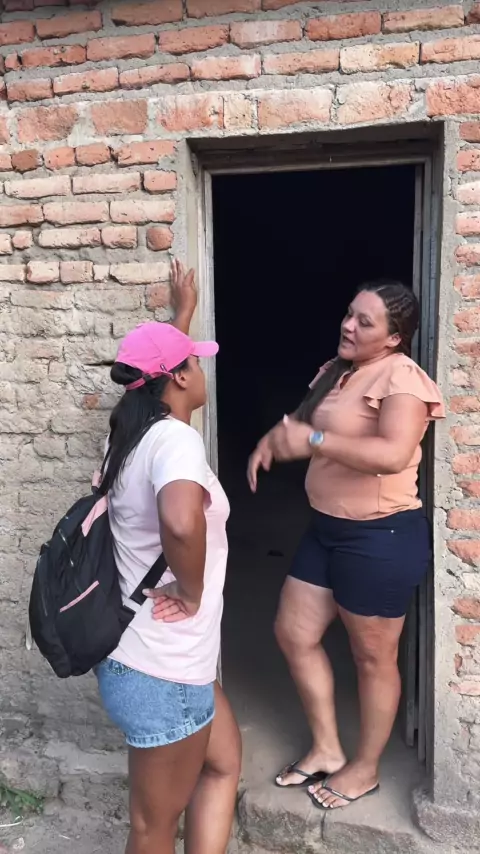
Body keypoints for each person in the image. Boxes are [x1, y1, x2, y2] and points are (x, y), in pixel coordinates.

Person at [247, 280, 444, 811]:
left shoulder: (402, 377)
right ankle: (327, 748)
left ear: (393, 338)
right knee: (294, 633)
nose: (349, 325)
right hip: (326, 529)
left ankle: (366, 769)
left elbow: (392, 453)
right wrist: (272, 442)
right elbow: (301, 423)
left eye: (365, 321)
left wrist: (313, 441)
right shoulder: (335, 371)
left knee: (372, 657)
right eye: (349, 314)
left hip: (381, 535)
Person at [95, 261, 241, 854]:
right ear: (177, 377)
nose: (200, 370)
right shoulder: (177, 440)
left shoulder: (129, 434)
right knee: (153, 827)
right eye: (193, 362)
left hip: (145, 656)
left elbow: (153, 373)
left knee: (223, 762)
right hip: (164, 669)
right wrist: (192, 589)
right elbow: (181, 521)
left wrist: (181, 316)